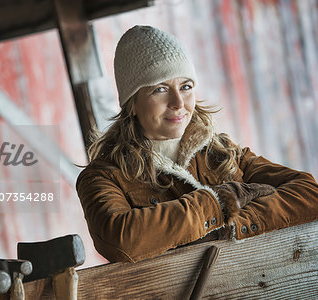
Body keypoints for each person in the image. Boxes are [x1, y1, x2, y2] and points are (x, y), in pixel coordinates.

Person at [76, 25, 318, 263]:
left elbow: (308, 194)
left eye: (186, 87)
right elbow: (122, 240)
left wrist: (230, 225)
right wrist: (217, 203)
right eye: (160, 89)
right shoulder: (103, 177)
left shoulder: (222, 152)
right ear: (133, 104)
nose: (178, 102)